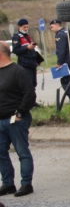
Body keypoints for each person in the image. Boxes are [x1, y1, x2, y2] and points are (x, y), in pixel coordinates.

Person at [0, 41, 36, 197]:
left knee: (22, 152)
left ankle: (26, 184)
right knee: (1, 152)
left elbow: (29, 94)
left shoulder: (17, 71)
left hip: (15, 119)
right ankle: (8, 183)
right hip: (0, 120)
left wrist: (20, 113)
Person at [49, 19, 70, 102]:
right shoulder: (66, 32)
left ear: (57, 25)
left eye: (52, 27)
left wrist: (59, 62)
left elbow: (61, 50)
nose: (51, 29)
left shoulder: (59, 35)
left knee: (65, 81)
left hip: (66, 61)